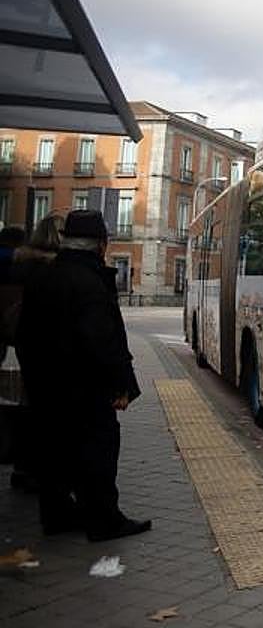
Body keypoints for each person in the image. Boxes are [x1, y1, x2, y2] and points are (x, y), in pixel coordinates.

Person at [16, 210, 150, 541]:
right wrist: (122, 384)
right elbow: (103, 341)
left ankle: (57, 515)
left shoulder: (44, 276)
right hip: (85, 389)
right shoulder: (90, 282)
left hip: (45, 385)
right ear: (101, 245)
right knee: (99, 450)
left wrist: (35, 377)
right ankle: (105, 521)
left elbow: (24, 335)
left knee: (54, 451)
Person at [6, 216, 62, 492]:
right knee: (44, 410)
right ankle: (38, 469)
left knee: (24, 406)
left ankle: (21, 466)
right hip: (46, 347)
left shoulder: (17, 264)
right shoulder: (53, 269)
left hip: (18, 342)